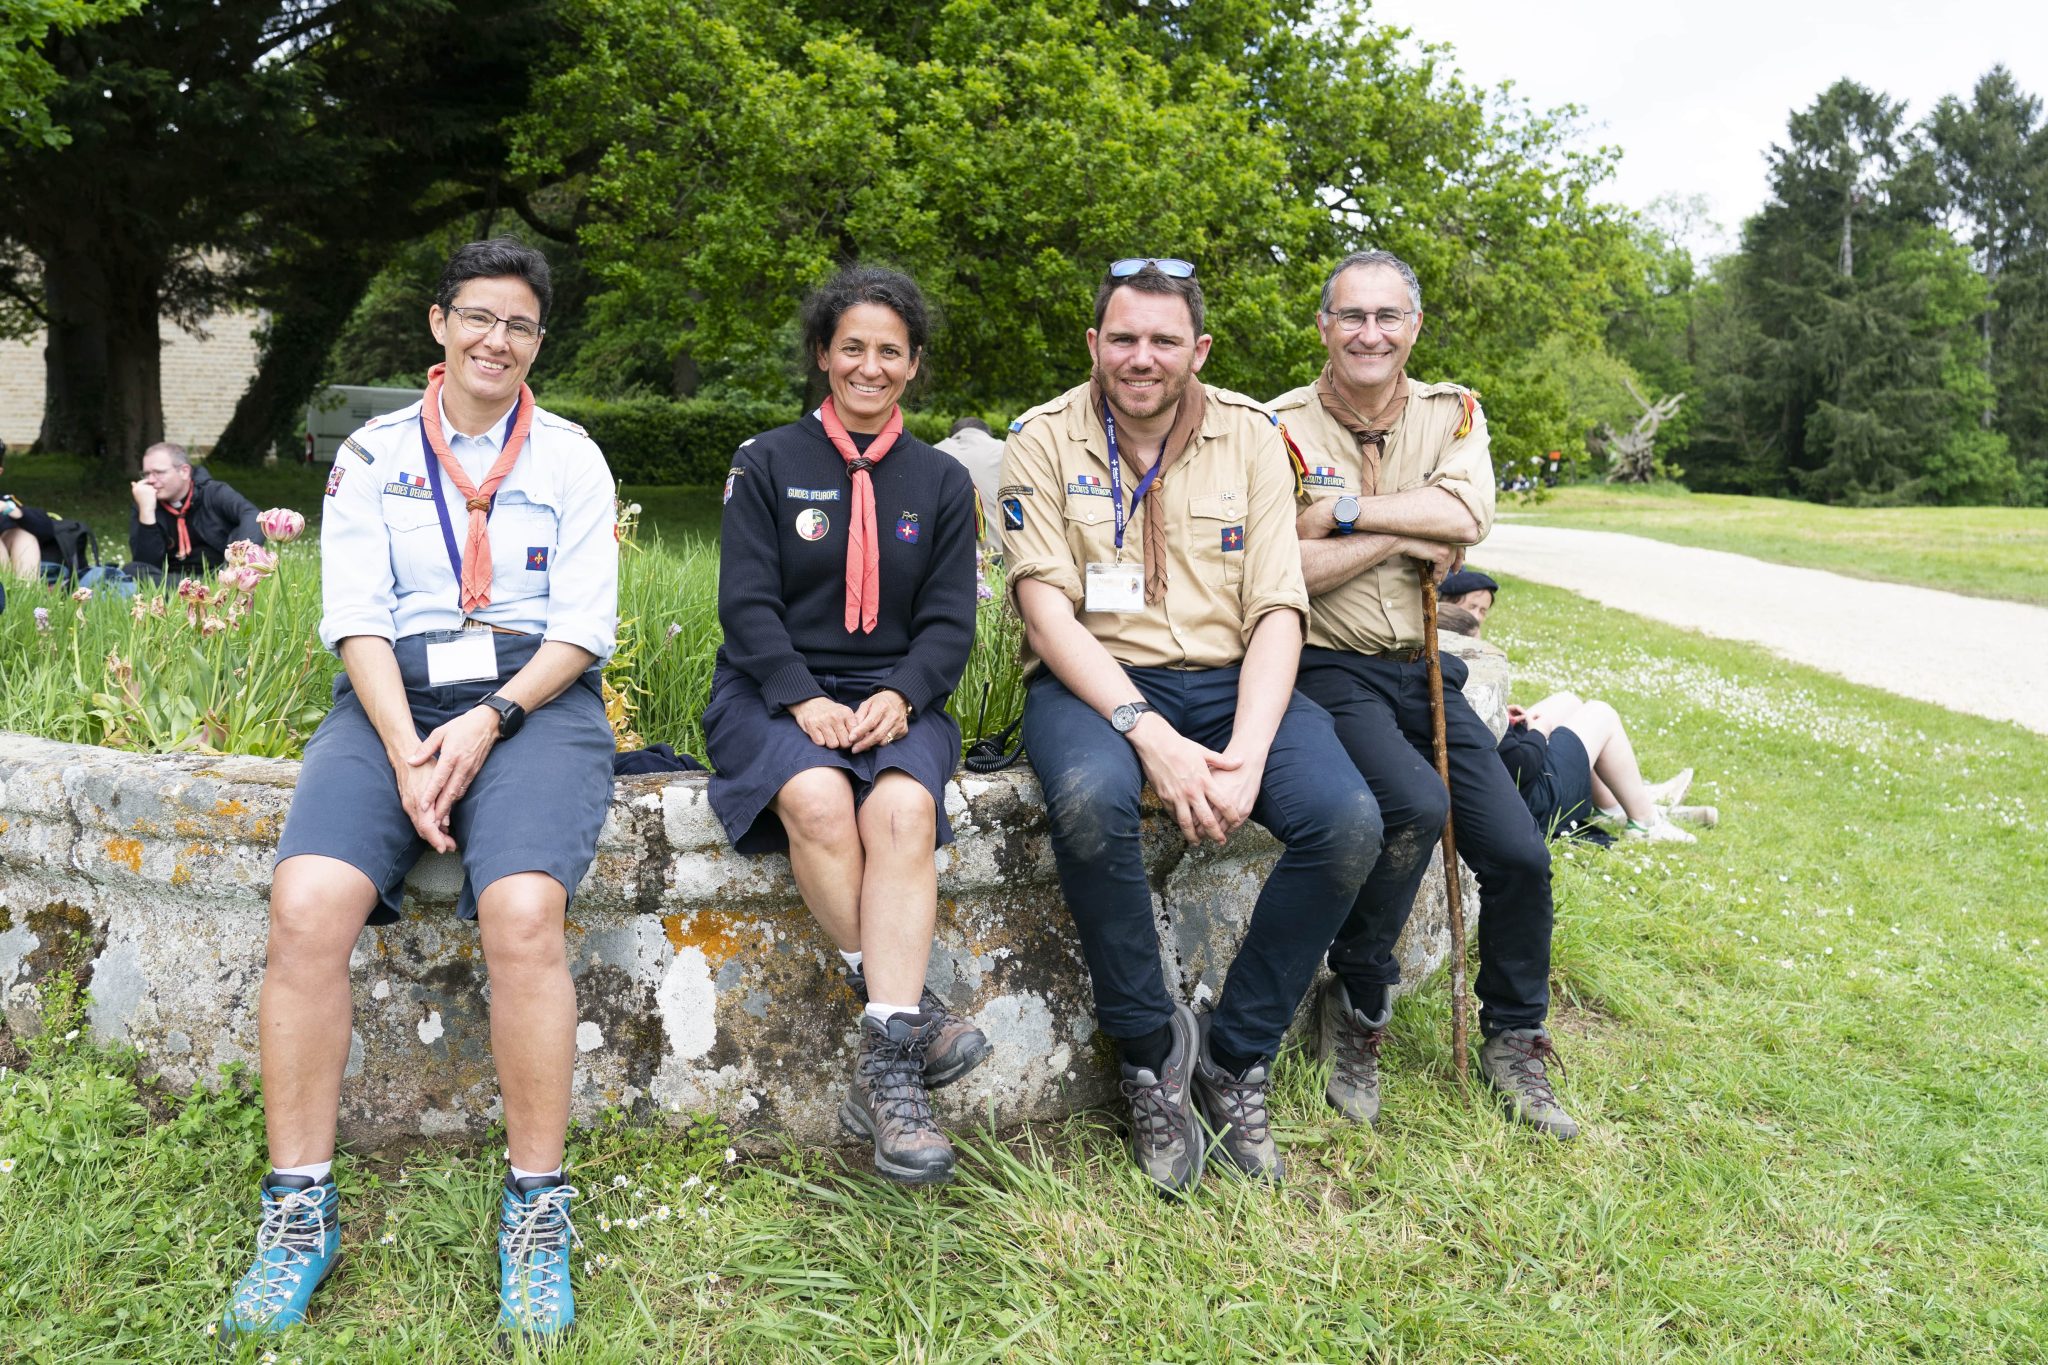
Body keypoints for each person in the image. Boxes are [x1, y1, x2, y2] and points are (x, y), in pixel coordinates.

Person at [222, 238, 618, 1343]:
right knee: (305, 907)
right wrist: (406, 747)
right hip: (390, 702)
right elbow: (352, 613)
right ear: (439, 326)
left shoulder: (573, 458)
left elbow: (585, 628)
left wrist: (488, 724)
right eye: (479, 318)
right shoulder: (370, 452)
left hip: (532, 702)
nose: (499, 341)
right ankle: (299, 1207)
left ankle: (536, 1207)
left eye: (522, 326)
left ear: (539, 343)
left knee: (523, 913)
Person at [1003, 258, 1379, 1192]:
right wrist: (1149, 737)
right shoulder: (1041, 438)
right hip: (1094, 680)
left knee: (1347, 822)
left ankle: (1233, 1052)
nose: (1142, 357)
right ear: (1094, 344)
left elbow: (1278, 608)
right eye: (1123, 338)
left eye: (1164, 339)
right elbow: (1047, 614)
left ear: (1197, 349)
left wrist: (1248, 751)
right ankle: (1150, 1053)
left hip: (1228, 679)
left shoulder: (1255, 435)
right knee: (1091, 802)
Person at [1272, 248, 1578, 1141]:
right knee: (1410, 804)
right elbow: (1287, 562)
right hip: (1328, 666)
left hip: (1421, 662)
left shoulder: (1454, 412)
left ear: (1413, 329)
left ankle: (1516, 1037)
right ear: (1324, 327)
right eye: (1351, 316)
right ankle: (1358, 999)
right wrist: (1407, 531)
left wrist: (1351, 514)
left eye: (1387, 317)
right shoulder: (1276, 426)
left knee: (1518, 850)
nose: (1370, 333)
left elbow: (1469, 519)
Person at [704, 265, 989, 1187]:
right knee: (821, 800)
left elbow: (951, 622)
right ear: (824, 354)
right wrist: (801, 695)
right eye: (853, 347)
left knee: (902, 811)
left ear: (914, 367)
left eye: (891, 352)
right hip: (769, 686)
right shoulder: (766, 462)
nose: (870, 366)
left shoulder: (942, 480)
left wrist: (904, 694)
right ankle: (905, 1027)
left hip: (896, 692)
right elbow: (745, 606)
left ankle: (884, 1065)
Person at [1432, 584, 1712, 842]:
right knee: (1601, 714)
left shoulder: (1444, 685)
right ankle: (1645, 822)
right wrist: (1539, 733)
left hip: (1504, 779)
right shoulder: (1463, 694)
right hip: (1522, 802)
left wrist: (1502, 715)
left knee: (1568, 702)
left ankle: (1615, 805)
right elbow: (1521, 767)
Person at [128, 441, 264, 583]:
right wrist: (147, 511)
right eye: (146, 474)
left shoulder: (213, 492)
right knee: (131, 571)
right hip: (171, 577)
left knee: (241, 529)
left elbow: (252, 515)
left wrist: (237, 563)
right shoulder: (145, 501)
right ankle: (193, 590)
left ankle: (202, 589)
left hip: (219, 573)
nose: (150, 480)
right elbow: (145, 564)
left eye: (159, 473)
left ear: (184, 471)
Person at [934, 416, 1005, 555]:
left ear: (953, 435)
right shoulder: (1004, 449)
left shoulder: (935, 451)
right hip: (996, 557)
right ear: (987, 433)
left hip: (946, 557)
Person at [0, 452, 62, 581]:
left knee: (23, 537)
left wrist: (13, 510)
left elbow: (46, 530)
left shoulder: (4, 502)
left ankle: (25, 593)